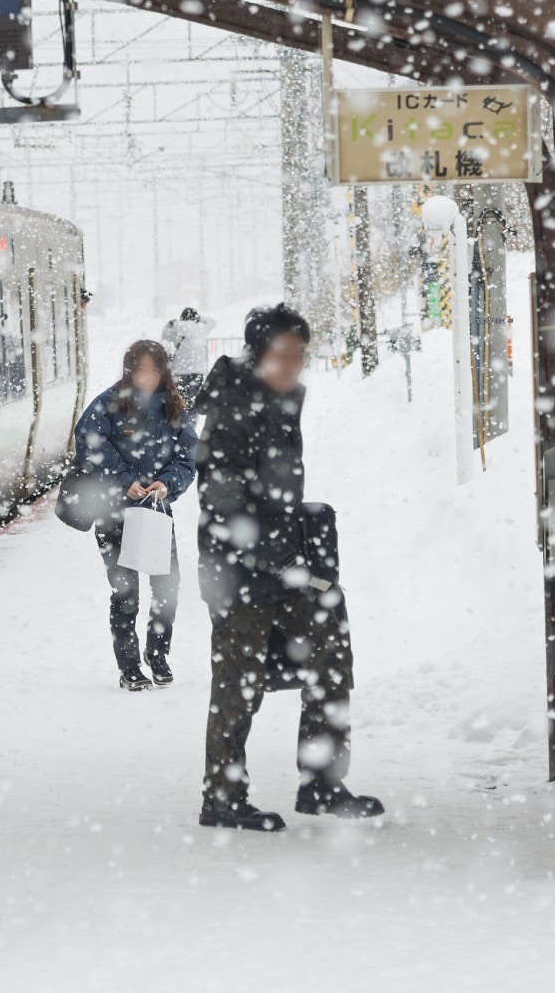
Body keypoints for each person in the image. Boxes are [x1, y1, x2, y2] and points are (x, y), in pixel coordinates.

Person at [193, 305, 383, 832]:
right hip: (236, 569)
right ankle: (222, 797)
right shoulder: (231, 409)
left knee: (330, 654)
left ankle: (321, 781)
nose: (294, 365)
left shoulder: (283, 399)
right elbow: (225, 503)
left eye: (300, 355)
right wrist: (281, 556)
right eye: (283, 355)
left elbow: (275, 492)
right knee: (238, 681)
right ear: (258, 356)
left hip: (283, 564)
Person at [71, 340, 195, 691]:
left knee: (166, 587)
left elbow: (188, 456)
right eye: (140, 370)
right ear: (129, 371)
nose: (146, 378)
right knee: (126, 593)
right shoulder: (108, 405)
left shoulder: (174, 407)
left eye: (154, 371)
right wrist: (123, 481)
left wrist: (167, 484)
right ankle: (129, 666)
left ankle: (158, 655)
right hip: (113, 513)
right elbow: (89, 444)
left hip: (155, 513)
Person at [162, 307, 216, 406]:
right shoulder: (201, 329)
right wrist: (200, 318)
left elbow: (164, 335)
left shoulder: (176, 328)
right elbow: (212, 322)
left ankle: (180, 418)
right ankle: (191, 419)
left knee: (178, 400)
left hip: (179, 370)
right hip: (197, 370)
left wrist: (171, 323)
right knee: (193, 400)